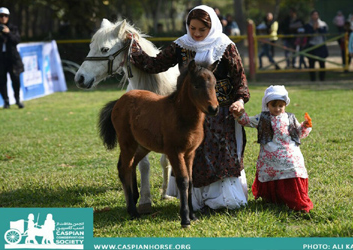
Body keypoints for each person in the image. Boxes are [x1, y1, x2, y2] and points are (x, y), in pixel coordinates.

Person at [129, 5, 250, 212]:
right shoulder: (182, 45)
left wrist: (239, 100)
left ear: (211, 28)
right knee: (192, 155)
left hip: (219, 111)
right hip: (189, 113)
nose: (196, 33)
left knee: (218, 155)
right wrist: (133, 46)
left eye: (201, 30)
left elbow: (240, 80)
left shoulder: (225, 46)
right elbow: (154, 64)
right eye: (192, 28)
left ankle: (221, 200)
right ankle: (195, 201)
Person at [230, 85, 313, 213]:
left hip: (289, 153)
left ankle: (295, 199)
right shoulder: (262, 118)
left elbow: (299, 133)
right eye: (274, 105)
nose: (278, 109)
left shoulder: (290, 118)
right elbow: (247, 121)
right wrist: (240, 114)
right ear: (267, 104)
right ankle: (274, 198)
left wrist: (305, 126)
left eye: (281, 105)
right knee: (271, 173)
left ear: (285, 105)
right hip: (269, 154)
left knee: (293, 170)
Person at [0, 7, 24, 109]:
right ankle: (6, 101)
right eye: (1, 16)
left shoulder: (13, 28)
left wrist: (8, 33)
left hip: (12, 59)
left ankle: (17, 99)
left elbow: (16, 40)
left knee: (15, 79)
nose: (3, 18)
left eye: (5, 16)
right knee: (1, 80)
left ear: (8, 17)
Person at [304, 10, 329, 81]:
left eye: (316, 14)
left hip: (321, 45)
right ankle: (312, 79)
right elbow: (307, 35)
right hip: (312, 46)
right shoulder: (308, 25)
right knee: (311, 64)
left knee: (322, 63)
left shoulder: (323, 24)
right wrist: (313, 29)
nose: (315, 16)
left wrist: (318, 28)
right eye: (313, 15)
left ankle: (322, 79)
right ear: (311, 16)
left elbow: (325, 33)